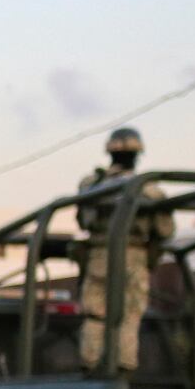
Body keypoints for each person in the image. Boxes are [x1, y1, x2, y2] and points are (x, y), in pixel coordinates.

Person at [75, 127, 174, 373]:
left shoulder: (92, 184)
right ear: (137, 155)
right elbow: (164, 230)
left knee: (95, 313)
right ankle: (124, 368)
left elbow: (82, 219)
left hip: (98, 255)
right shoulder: (148, 188)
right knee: (129, 314)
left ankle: (91, 364)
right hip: (132, 255)